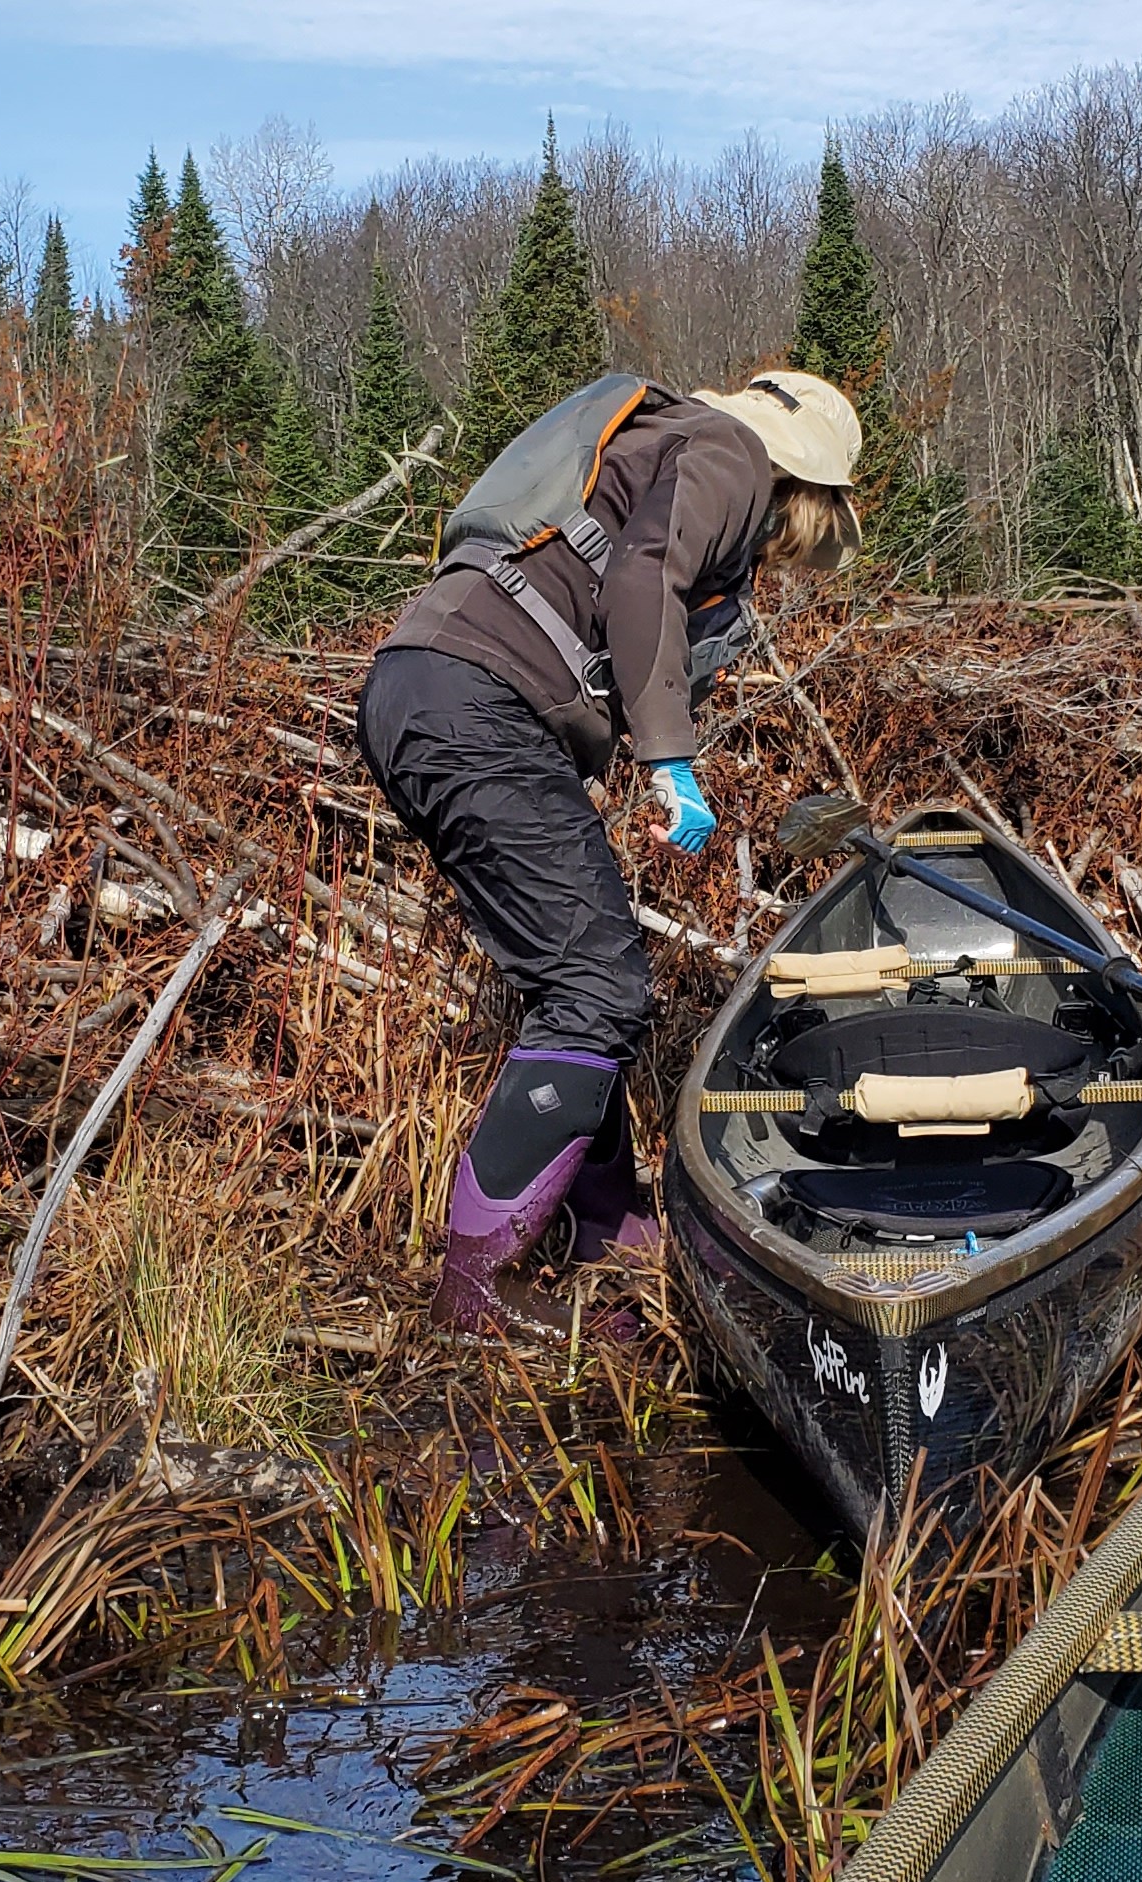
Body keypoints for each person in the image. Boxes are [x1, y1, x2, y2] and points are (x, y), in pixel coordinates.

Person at [357, 367, 864, 1340]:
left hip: (429, 690)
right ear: (812, 492)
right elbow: (643, 577)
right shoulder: (730, 454)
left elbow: (627, 610)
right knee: (599, 988)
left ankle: (610, 1233)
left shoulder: (669, 453)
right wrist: (670, 762)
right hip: (472, 701)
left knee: (587, 985)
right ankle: (476, 1297)